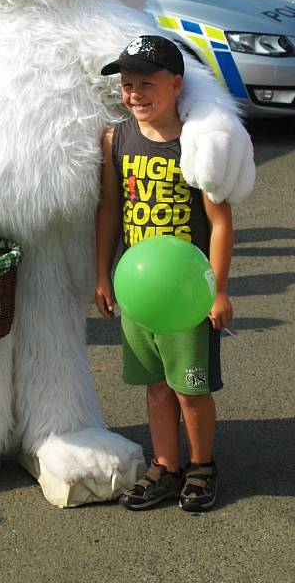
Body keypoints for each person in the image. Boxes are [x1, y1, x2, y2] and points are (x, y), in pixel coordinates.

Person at [94, 35, 234, 513]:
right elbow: (110, 209)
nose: (134, 93)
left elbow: (220, 221)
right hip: (137, 293)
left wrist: (218, 290)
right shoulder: (116, 139)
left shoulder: (197, 143)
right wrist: (101, 275)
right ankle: (166, 466)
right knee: (155, 386)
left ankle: (201, 465)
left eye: (146, 83)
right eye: (127, 84)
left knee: (189, 388)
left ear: (176, 85)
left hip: (187, 295)